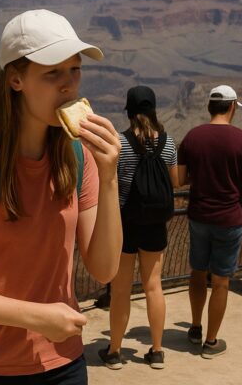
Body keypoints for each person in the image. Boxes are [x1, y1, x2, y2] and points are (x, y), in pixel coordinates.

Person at [0, 9, 122, 384]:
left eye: (75, 70)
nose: (69, 85)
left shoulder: (78, 157)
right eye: (53, 73)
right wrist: (37, 317)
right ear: (16, 79)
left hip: (61, 364)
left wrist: (110, 176)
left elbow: (104, 268)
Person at [98, 85, 179, 371]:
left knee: (120, 290)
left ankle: (114, 352)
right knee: (153, 286)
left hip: (124, 223)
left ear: (129, 112)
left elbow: (111, 183)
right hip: (155, 224)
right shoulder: (168, 143)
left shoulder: (120, 143)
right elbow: (174, 182)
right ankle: (156, 352)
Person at [176, 85, 242, 359]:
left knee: (197, 273)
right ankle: (211, 342)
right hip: (229, 219)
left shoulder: (192, 137)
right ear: (232, 107)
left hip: (199, 216)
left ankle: (195, 327)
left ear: (209, 107)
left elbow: (180, 179)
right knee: (221, 281)